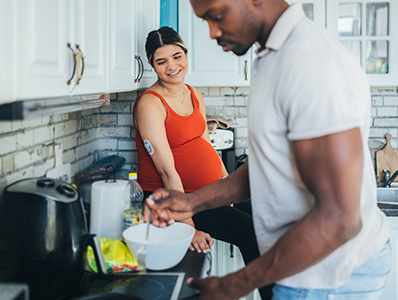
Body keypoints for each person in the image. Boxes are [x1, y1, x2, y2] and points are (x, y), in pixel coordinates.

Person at [145, 1, 391, 300]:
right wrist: (193, 202)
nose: (212, 32)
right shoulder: (274, 55)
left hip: (327, 277)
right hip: (305, 269)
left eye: (217, 16)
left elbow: (339, 216)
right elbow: (273, 164)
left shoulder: (311, 62)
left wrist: (235, 284)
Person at [133, 26, 273, 298]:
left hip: (207, 191)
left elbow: (206, 144)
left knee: (268, 217)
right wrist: (188, 227)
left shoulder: (193, 94)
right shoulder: (150, 104)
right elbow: (166, 171)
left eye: (177, 56)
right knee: (249, 231)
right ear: (151, 64)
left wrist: (227, 188)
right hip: (176, 198)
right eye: (161, 61)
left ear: (186, 54)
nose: (172, 66)